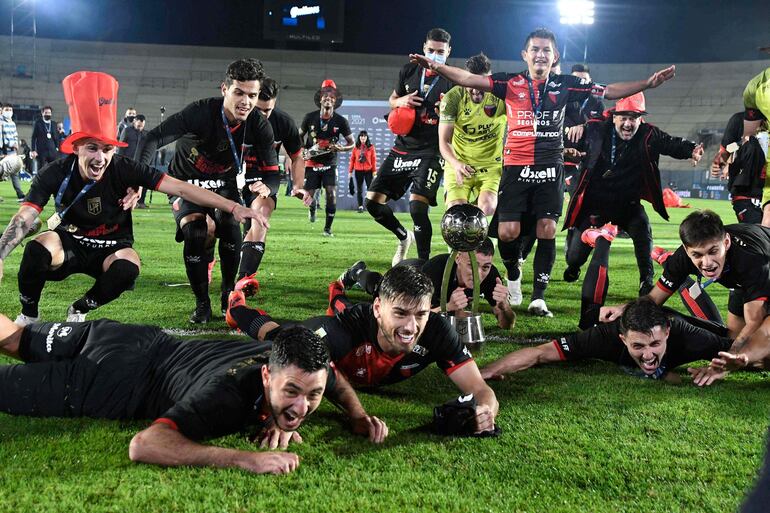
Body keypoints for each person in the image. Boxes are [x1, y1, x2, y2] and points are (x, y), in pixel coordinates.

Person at [410, 27, 676, 317]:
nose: (540, 54)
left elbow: (609, 91)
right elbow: (467, 78)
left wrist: (647, 84)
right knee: (507, 232)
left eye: (546, 50)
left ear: (555, 56)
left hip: (550, 167)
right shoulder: (509, 82)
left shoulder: (567, 85)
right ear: (525, 55)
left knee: (546, 229)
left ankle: (539, 297)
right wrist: (437, 67)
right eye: (535, 49)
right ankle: (513, 271)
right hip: (515, 167)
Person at [0, 71, 268, 325]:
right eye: (92, 148)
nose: (100, 157)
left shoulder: (125, 168)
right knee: (37, 248)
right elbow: (25, 217)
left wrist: (233, 207)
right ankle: (29, 315)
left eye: (107, 149)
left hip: (111, 246)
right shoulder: (55, 172)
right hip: (68, 241)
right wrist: (0, 256)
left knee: (129, 267)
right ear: (77, 147)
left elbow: (182, 188)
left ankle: (80, 309)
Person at [0, 313, 330, 475]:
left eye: (314, 394)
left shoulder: (288, 357)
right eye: (291, 392)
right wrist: (246, 459)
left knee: (15, 339)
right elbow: (145, 444)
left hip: (127, 336)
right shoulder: (226, 396)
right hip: (111, 381)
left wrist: (356, 416)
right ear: (266, 375)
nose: (302, 406)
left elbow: (331, 376)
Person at [226, 265, 499, 435]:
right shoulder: (342, 332)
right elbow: (287, 369)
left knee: (341, 306)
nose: (411, 326)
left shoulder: (437, 330)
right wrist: (278, 416)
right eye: (401, 313)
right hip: (342, 331)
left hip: (362, 344)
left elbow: (480, 389)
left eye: (421, 314)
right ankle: (236, 306)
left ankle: (340, 289)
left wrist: (484, 411)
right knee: (276, 335)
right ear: (378, 308)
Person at [139, 59, 279, 323]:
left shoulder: (259, 125)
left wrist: (267, 187)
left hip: (223, 183)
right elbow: (153, 138)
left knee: (228, 225)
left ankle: (228, 295)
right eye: (239, 92)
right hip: (185, 182)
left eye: (252, 95)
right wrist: (138, 177)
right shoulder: (200, 112)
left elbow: (273, 173)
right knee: (196, 232)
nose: (245, 102)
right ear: (224, 89)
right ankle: (202, 303)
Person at [562, 93, 703, 328]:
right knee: (575, 255)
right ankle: (574, 266)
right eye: (624, 117)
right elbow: (567, 142)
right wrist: (570, 138)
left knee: (642, 228)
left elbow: (670, 143)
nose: (628, 123)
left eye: (634, 118)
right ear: (614, 116)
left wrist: (691, 150)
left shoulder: (648, 134)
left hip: (627, 204)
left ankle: (646, 283)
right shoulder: (595, 128)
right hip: (594, 204)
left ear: (641, 119)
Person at [601, 210, 770, 355]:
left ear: (726, 242)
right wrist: (622, 308)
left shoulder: (751, 259)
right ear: (686, 249)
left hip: (762, 267)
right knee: (733, 340)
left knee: (758, 351)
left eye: (713, 251)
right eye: (697, 255)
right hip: (740, 280)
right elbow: (653, 300)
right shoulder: (682, 257)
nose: (707, 262)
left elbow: (754, 321)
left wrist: (728, 360)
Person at [480, 297, 731, 384]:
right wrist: (488, 370)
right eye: (638, 346)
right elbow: (539, 353)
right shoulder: (602, 338)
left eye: (654, 344)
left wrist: (724, 367)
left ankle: (688, 285)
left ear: (666, 334)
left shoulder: (687, 336)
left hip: (685, 322)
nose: (647, 356)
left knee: (726, 334)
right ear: (622, 339)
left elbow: (751, 353)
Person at [367, 27, 455, 266]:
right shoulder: (408, 70)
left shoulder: (453, 79)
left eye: (440, 52)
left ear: (448, 52)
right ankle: (403, 237)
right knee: (372, 203)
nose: (434, 55)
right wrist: (401, 101)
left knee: (417, 208)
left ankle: (423, 265)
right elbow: (392, 100)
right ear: (423, 48)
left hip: (431, 149)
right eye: (430, 50)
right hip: (402, 147)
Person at [332, 238, 514, 329]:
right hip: (410, 275)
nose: (478, 274)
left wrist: (504, 307)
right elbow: (413, 315)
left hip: (424, 272)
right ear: (458, 258)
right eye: (472, 266)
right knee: (380, 288)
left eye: (485, 267)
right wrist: (448, 306)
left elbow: (507, 324)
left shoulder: (491, 276)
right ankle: (357, 272)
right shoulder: (437, 272)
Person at [236, 77, 308, 290]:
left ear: (274, 104)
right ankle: (209, 267)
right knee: (217, 228)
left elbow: (297, 156)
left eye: (267, 111)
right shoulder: (236, 117)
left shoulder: (283, 122)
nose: (261, 115)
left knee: (260, 218)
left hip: (265, 180)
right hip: (232, 181)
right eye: (257, 110)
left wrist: (297, 184)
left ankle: (242, 283)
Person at [438, 52, 505, 217]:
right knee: (456, 212)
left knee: (487, 208)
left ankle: (480, 239)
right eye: (471, 83)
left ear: (488, 80)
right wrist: (455, 163)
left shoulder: (501, 96)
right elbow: (444, 141)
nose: (476, 91)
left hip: (491, 166)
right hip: (460, 164)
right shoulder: (452, 98)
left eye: (481, 84)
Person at [299, 79, 354, 237]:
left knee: (331, 193)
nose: (328, 98)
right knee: (308, 196)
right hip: (312, 162)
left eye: (331, 97)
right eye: (325, 95)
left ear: (335, 101)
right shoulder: (309, 117)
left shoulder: (341, 121)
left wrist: (341, 148)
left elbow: (352, 143)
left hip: (330, 163)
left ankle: (327, 228)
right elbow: (299, 136)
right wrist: (303, 150)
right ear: (320, 99)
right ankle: (313, 206)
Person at [709, 112, 766, 224]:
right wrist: (721, 161)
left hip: (764, 191)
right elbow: (728, 148)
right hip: (747, 193)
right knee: (757, 236)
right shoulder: (739, 120)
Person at [118, 114, 150, 207]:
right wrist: (120, 160)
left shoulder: (146, 134)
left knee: (142, 182)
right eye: (139, 125)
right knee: (126, 183)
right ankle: (124, 200)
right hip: (126, 162)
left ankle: (141, 202)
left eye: (142, 126)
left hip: (139, 163)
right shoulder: (127, 131)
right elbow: (121, 146)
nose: (140, 127)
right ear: (134, 122)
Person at [1, 103, 26, 201]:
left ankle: (20, 194)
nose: (9, 112)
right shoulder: (1, 122)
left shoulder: (12, 123)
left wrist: (16, 146)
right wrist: (11, 144)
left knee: (15, 172)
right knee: (1, 172)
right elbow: (2, 139)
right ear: (2, 111)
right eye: (6, 109)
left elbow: (15, 136)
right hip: (4, 151)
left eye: (10, 110)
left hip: (12, 152)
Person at [348, 130, 377, 212]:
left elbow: (374, 160)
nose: (363, 138)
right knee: (359, 189)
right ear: (359, 137)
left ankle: (370, 206)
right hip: (358, 171)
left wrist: (374, 171)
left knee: (370, 189)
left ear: (367, 137)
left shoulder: (371, 147)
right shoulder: (356, 147)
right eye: (361, 136)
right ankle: (360, 206)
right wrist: (350, 172)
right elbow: (352, 160)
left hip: (368, 171)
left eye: (364, 136)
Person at [30, 106, 62, 174]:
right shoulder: (38, 123)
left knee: (55, 169)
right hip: (41, 151)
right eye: (46, 112)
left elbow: (56, 137)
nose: (48, 114)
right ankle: (40, 183)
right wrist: (33, 150)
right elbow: (33, 137)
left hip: (52, 151)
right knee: (41, 170)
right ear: (42, 113)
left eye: (49, 113)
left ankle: (53, 183)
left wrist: (57, 148)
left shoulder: (54, 124)